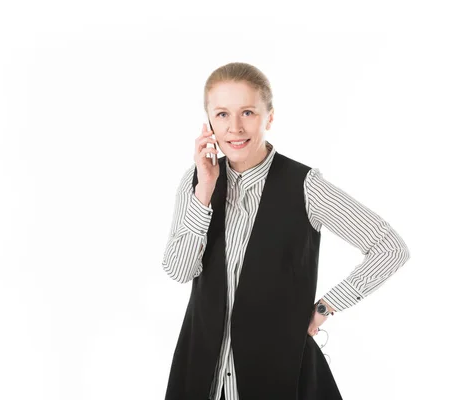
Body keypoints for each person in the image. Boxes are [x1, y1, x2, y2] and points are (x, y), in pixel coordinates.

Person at [161, 62, 411, 400]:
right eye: (222, 114)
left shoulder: (305, 186)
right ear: (208, 123)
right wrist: (204, 192)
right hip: (201, 374)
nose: (234, 127)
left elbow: (390, 247)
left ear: (269, 117)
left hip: (279, 371)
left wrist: (325, 307)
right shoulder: (196, 181)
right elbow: (179, 270)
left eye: (247, 112)